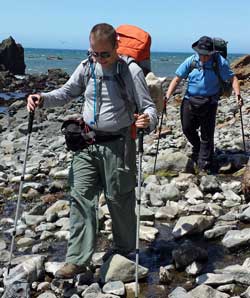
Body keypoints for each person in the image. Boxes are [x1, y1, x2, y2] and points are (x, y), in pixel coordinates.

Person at [27, 23, 157, 279]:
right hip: (86, 143)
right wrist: (41, 98)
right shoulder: (87, 67)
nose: (99, 59)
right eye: (94, 53)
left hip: (119, 145)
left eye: (104, 54)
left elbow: (149, 107)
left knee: (119, 199)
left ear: (116, 48)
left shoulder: (130, 71)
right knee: (80, 198)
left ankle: (124, 250)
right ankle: (77, 259)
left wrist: (147, 121)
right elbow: (66, 93)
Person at [165, 36, 242, 173]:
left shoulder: (220, 62)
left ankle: (204, 167)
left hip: (210, 102)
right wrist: (167, 95)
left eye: (206, 55)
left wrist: (237, 95)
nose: (203, 57)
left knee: (207, 134)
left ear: (212, 53)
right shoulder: (191, 61)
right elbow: (177, 79)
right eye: (201, 54)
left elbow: (233, 78)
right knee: (187, 128)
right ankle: (200, 148)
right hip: (190, 99)